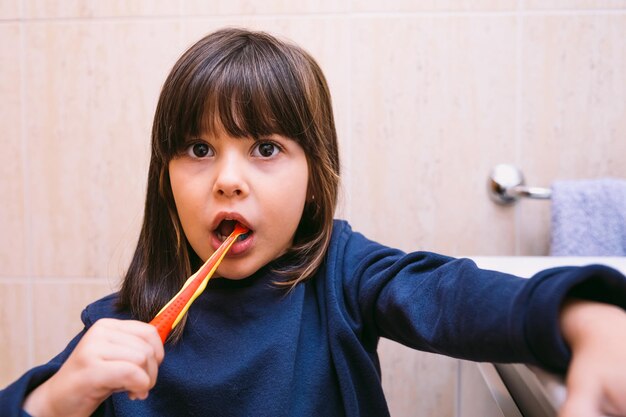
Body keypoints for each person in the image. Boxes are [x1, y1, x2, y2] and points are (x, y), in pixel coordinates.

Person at [2, 27, 626, 417]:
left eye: (265, 149)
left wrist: (586, 315)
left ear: (314, 179)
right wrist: (55, 401)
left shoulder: (344, 278)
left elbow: (448, 292)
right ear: (163, 178)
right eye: (198, 149)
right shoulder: (119, 329)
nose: (228, 178)